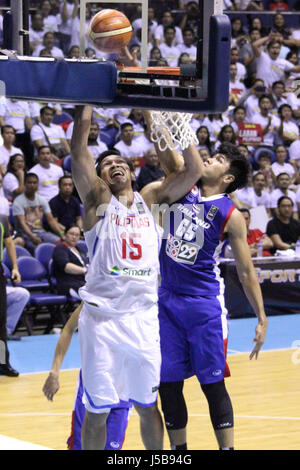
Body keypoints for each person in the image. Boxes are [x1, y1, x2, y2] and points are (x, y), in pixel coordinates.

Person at [70, 105, 203, 450]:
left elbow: (193, 169)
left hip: (143, 319)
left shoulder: (152, 201)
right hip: (102, 320)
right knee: (98, 410)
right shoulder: (98, 201)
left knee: (147, 404)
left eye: (121, 163)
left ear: (131, 171)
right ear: (100, 177)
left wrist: (157, 119)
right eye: (107, 164)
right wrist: (86, 100)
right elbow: (78, 151)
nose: (115, 165)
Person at [149, 136, 268, 451]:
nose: (209, 160)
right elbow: (171, 161)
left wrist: (261, 316)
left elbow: (245, 271)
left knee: (212, 385)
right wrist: (157, 122)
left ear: (228, 178)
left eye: (217, 160)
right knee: (168, 384)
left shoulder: (232, 214)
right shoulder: (182, 190)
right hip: (168, 303)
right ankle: (179, 453)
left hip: (204, 307)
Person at [42, 302, 132, 450]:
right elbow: (69, 329)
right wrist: (54, 372)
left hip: (124, 388)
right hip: (92, 385)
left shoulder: (138, 299)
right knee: (80, 445)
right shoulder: (93, 298)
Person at [12, 173, 64, 254]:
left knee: (59, 243)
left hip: (41, 232)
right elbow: (22, 224)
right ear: (25, 184)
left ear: (38, 184)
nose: (32, 185)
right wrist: (32, 237)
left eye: (34, 182)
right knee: (37, 249)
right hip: (24, 234)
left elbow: (51, 220)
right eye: (29, 182)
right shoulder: (18, 201)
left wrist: (61, 235)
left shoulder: (42, 199)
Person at [0, 213, 21, 377]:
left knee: (1, 321)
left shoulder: (2, 219)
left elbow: (8, 243)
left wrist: (15, 266)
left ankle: (2, 363)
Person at [52, 224, 88, 298]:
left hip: (82, 282)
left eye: (77, 235)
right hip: (68, 283)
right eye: (71, 234)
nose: (74, 237)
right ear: (65, 235)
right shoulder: (60, 249)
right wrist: (85, 270)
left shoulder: (80, 250)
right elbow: (66, 267)